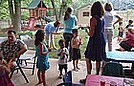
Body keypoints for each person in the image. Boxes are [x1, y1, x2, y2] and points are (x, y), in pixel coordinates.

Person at [80, 1, 106, 83]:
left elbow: (91, 34)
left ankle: (89, 77)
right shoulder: (102, 19)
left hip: (94, 40)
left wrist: (87, 29)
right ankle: (97, 76)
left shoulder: (93, 19)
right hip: (101, 39)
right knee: (98, 59)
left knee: (88, 58)